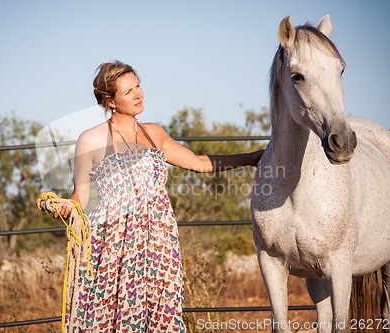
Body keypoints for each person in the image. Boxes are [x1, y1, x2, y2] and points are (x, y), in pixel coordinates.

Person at [57, 60, 264, 332]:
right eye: (128, 91)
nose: (138, 94)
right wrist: (65, 206)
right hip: (114, 245)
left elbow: (199, 162)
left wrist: (252, 158)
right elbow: (80, 194)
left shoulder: (153, 134)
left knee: (163, 314)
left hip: (159, 243)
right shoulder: (91, 140)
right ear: (111, 101)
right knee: (115, 319)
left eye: (138, 86)